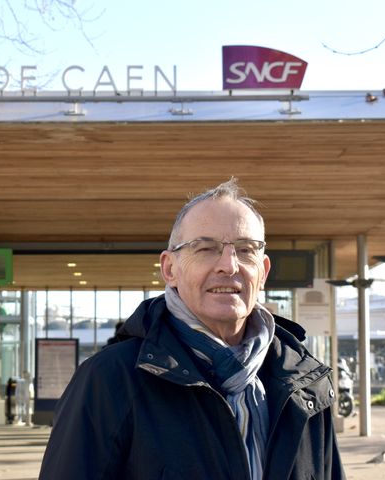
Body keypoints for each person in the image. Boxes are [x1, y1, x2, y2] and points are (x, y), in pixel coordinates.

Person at [39, 179, 345, 479]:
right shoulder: (109, 380)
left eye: (246, 249)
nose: (229, 265)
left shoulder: (305, 382)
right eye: (205, 248)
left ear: (263, 272)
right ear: (170, 269)